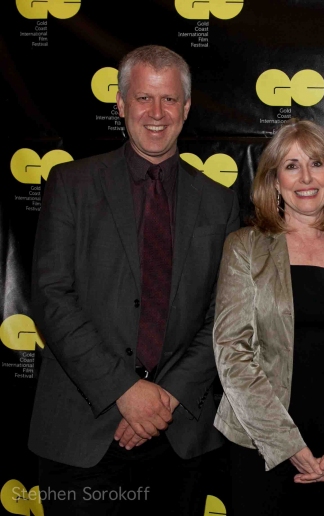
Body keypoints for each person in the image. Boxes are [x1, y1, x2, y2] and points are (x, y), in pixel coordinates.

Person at [28, 45, 239, 515]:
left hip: (178, 436)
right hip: (82, 434)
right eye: (144, 98)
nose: (157, 114)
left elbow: (223, 316)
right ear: (121, 105)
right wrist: (124, 392)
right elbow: (51, 297)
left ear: (186, 108)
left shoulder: (218, 201)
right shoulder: (71, 184)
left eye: (169, 100)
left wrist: (162, 399)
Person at [212, 118, 324, 516]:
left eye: (316, 163)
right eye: (292, 166)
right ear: (274, 181)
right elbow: (231, 350)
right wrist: (286, 444)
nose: (305, 177)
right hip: (259, 444)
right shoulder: (245, 247)